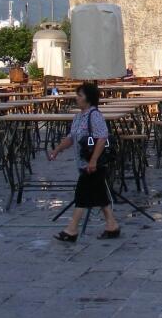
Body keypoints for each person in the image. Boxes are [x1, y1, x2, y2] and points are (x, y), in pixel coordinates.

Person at [47, 82, 121, 241]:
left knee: (81, 196)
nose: (77, 98)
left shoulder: (94, 115)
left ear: (88, 98)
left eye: (80, 95)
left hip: (93, 164)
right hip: (84, 163)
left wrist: (93, 160)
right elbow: (71, 137)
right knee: (100, 196)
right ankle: (112, 226)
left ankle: (71, 230)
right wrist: (57, 150)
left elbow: (102, 137)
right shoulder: (79, 116)